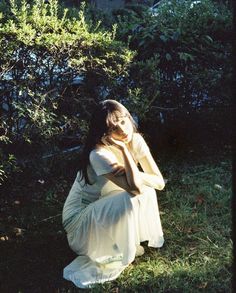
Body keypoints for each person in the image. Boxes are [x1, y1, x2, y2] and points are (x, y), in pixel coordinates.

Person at [62, 100, 165, 288]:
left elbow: (158, 182)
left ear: (129, 117)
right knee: (131, 195)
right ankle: (117, 248)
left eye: (123, 121)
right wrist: (124, 151)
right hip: (79, 225)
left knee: (146, 189)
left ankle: (126, 240)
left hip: (102, 205)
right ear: (103, 133)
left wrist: (133, 171)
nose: (123, 130)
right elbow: (135, 189)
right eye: (113, 127)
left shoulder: (136, 139)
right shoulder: (98, 154)